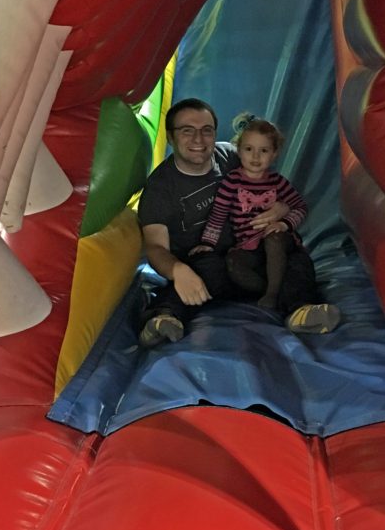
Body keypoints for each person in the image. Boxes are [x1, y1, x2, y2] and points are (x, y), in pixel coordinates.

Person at [137, 98, 339, 346]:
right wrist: (177, 270)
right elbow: (156, 248)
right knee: (202, 269)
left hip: (258, 257)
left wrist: (283, 209)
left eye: (206, 130)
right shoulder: (160, 188)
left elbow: (274, 186)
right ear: (170, 137)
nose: (198, 140)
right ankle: (164, 318)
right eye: (187, 131)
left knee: (296, 257)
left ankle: (302, 311)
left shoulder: (233, 157)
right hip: (212, 268)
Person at [191, 114, 334, 327]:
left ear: (274, 154)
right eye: (249, 149)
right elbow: (218, 216)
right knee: (234, 263)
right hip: (249, 247)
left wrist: (285, 223)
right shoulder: (232, 182)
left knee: (274, 238)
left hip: (279, 242)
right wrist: (208, 243)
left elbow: (300, 206)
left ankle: (273, 294)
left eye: (264, 151)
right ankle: (275, 284)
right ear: (239, 150)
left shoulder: (277, 182)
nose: (256, 157)